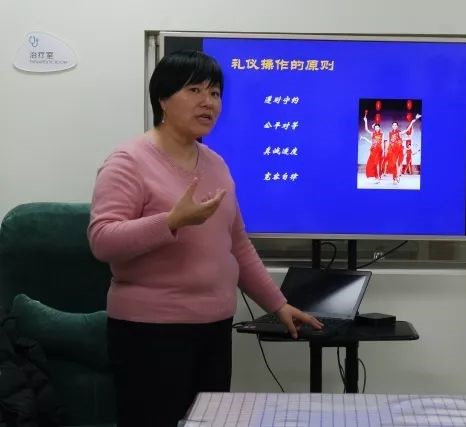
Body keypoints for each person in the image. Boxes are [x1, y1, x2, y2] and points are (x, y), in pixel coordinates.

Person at [87, 50, 322, 427]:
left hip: (213, 328)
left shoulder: (216, 163)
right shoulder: (128, 161)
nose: (208, 102)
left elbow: (237, 244)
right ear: (163, 99)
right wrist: (172, 221)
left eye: (214, 93)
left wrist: (278, 305)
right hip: (149, 332)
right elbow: (102, 239)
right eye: (194, 90)